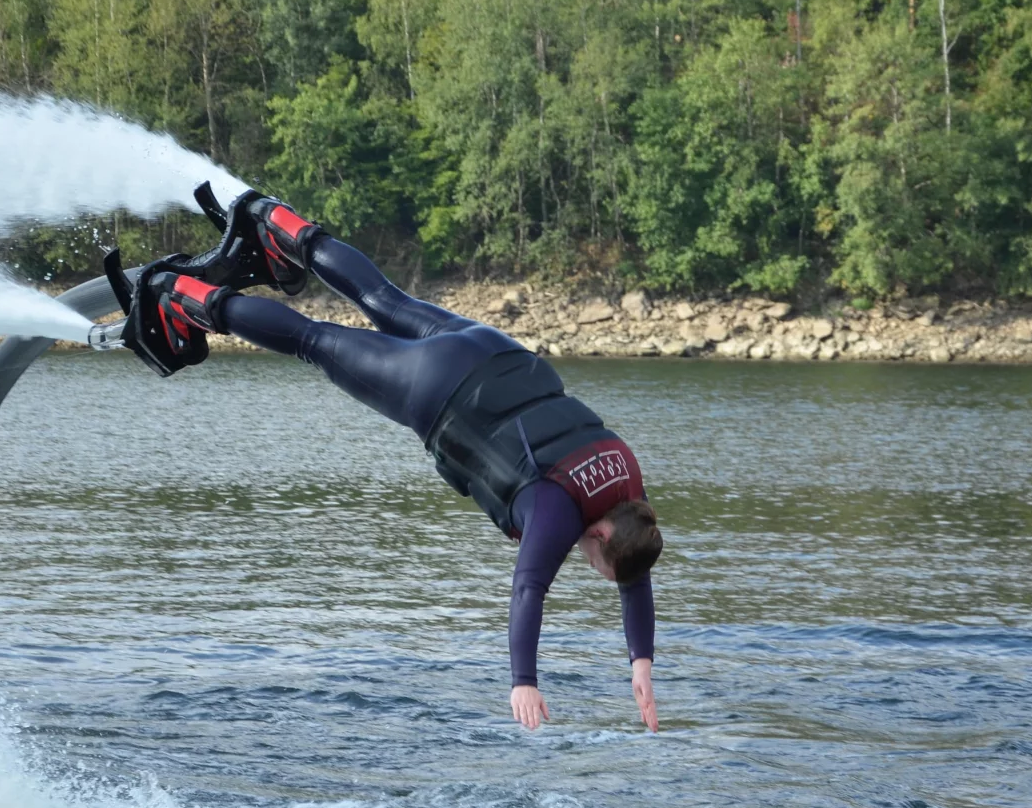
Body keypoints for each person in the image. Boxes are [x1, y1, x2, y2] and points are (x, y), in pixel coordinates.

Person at [99, 184, 664, 732]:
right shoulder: (558, 507)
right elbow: (528, 589)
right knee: (313, 340)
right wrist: (524, 679)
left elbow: (634, 574)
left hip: (494, 350)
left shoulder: (628, 483)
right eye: (595, 563)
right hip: (438, 389)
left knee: (384, 299)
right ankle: (185, 298)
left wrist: (641, 661)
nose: (590, 567)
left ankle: (284, 228)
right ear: (601, 535)